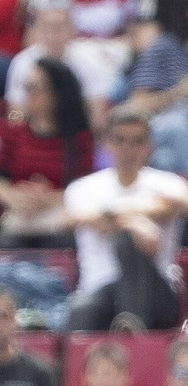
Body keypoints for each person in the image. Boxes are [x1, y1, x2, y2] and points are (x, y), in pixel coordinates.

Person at [65, 107, 188, 331]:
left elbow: (179, 203)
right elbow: (74, 218)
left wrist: (112, 216)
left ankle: (134, 328)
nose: (128, 149)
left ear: (149, 145)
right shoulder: (83, 188)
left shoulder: (169, 183)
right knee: (81, 309)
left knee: (126, 241)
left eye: (137, 141)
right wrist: (136, 222)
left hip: (157, 293)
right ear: (106, 143)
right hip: (99, 290)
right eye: (120, 140)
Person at [0, 56, 95, 248]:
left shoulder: (79, 138)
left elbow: (86, 187)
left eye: (35, 87)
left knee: (64, 241)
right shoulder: (11, 131)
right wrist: (15, 198)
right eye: (26, 87)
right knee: (5, 242)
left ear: (56, 93)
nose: (28, 93)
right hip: (19, 215)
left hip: (60, 216)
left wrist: (47, 199)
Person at [120, 10, 188, 175]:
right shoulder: (165, 48)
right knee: (175, 127)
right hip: (168, 124)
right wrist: (178, 92)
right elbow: (136, 104)